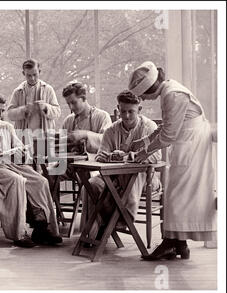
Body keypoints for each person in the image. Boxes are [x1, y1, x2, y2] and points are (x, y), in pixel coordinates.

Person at [128, 61, 217, 260]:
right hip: (188, 143)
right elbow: (167, 127)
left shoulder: (172, 94)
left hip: (193, 146)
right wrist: (144, 140)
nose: (142, 98)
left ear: (149, 88)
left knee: (177, 196)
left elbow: (168, 135)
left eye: (142, 94)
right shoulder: (168, 90)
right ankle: (178, 244)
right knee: (176, 196)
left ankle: (172, 243)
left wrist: (144, 153)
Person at [0, 94, 63, 248]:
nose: (0, 114)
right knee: (17, 180)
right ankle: (18, 233)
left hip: (13, 165)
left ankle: (43, 226)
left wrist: (22, 152)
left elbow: (18, 147)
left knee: (41, 181)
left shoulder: (7, 127)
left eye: (2, 110)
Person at [84, 90, 162, 240]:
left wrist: (134, 156)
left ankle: (123, 220)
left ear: (139, 110)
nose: (126, 116)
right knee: (92, 184)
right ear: (118, 109)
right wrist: (109, 157)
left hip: (144, 177)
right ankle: (96, 230)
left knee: (132, 179)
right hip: (113, 176)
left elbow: (157, 156)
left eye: (131, 112)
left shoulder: (149, 127)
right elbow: (100, 156)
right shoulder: (111, 130)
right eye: (123, 111)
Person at [7, 59, 61, 137]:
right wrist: (23, 110)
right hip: (23, 137)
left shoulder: (48, 89)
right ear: (23, 73)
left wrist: (46, 108)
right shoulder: (17, 91)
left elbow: (58, 112)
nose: (32, 78)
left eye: (35, 74)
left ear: (39, 71)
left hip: (44, 137)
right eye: (28, 75)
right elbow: (9, 115)